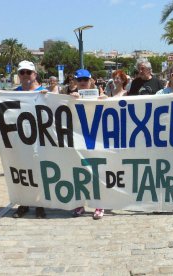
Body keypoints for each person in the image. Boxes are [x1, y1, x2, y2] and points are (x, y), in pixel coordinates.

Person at [12, 60, 46, 219]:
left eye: (28, 72)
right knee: (22, 171)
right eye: (22, 72)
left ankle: (40, 204)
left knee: (38, 171)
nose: (25, 75)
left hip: (40, 140)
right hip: (20, 139)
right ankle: (24, 203)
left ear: (35, 74)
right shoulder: (13, 93)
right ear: (18, 75)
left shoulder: (44, 92)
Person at [71, 68, 105, 219]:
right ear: (76, 82)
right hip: (78, 138)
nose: (83, 83)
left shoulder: (100, 96)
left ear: (91, 80)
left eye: (85, 80)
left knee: (97, 172)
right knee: (79, 171)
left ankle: (99, 204)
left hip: (96, 138)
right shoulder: (70, 96)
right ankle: (80, 204)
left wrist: (106, 100)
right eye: (80, 80)